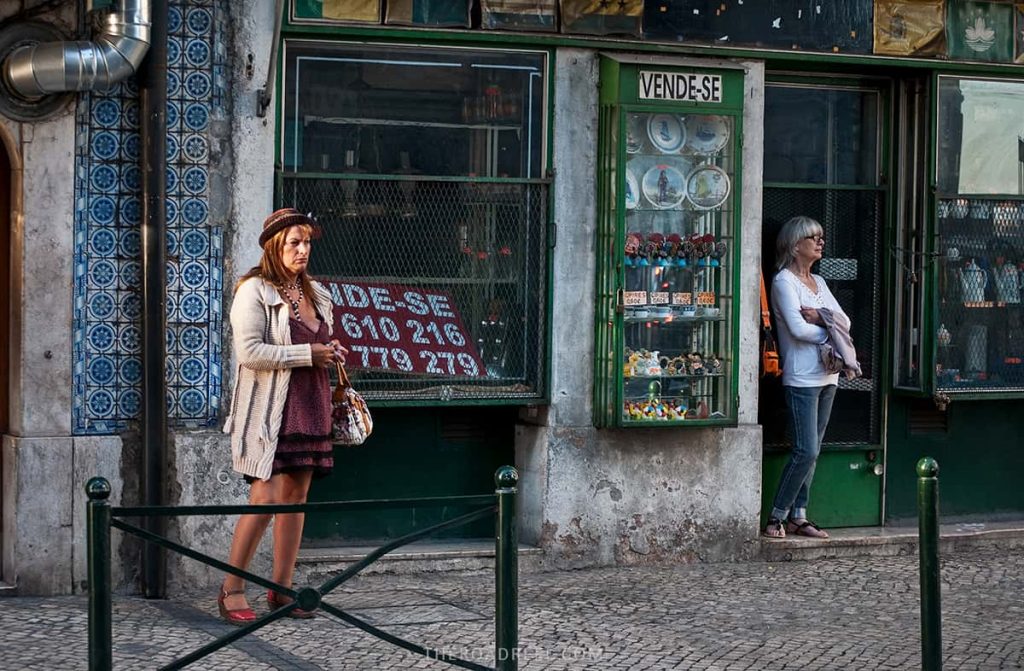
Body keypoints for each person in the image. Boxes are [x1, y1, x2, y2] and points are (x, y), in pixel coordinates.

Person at [218, 208, 347, 623]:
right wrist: (309, 353)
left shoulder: (318, 294)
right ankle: (231, 588)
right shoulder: (253, 291)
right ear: (276, 246)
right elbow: (250, 353)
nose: (303, 249)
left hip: (310, 404)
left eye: (307, 242)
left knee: (295, 499)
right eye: (294, 242)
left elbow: (321, 342)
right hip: (268, 409)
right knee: (265, 497)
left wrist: (331, 354)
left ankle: (282, 589)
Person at [763, 216, 851, 539]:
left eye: (821, 237)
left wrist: (822, 318)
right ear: (794, 244)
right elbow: (798, 331)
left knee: (815, 449)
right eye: (813, 237)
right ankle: (776, 516)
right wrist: (829, 328)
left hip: (828, 376)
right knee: (806, 450)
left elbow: (846, 323)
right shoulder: (784, 282)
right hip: (801, 378)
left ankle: (800, 515)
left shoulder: (821, 284)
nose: (820, 242)